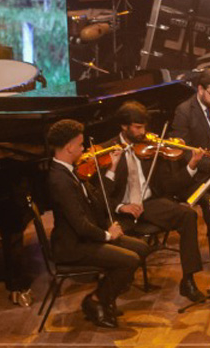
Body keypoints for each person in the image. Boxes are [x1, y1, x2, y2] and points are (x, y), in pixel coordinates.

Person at [106, 101, 210, 303]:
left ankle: (188, 280)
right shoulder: (107, 150)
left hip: (149, 203)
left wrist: (191, 165)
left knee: (188, 215)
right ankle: (118, 280)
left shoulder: (151, 149)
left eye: (144, 127)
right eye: (138, 128)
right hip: (120, 211)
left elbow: (168, 186)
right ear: (124, 126)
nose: (143, 133)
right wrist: (122, 206)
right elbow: (101, 194)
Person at [42, 119, 146, 329]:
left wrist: (112, 168)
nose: (85, 149)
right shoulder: (59, 180)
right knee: (129, 260)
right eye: (81, 145)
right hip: (73, 246)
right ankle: (96, 300)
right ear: (70, 147)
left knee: (141, 249)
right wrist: (108, 235)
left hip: (86, 237)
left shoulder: (71, 170)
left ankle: (106, 296)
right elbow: (80, 225)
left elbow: (98, 200)